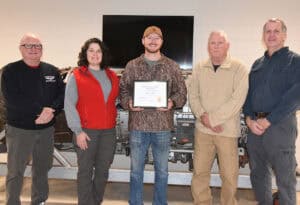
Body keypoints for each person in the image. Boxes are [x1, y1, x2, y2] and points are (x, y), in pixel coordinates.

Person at [119, 25, 187, 205]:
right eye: (149, 37)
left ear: (162, 42)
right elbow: (123, 91)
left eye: (157, 37)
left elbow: (181, 93)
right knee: (135, 171)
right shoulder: (132, 65)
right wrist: (129, 103)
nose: (153, 40)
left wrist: (172, 102)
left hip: (162, 127)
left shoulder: (172, 66)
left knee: (163, 172)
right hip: (138, 127)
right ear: (143, 41)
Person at [1, 33, 65, 205]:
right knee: (15, 171)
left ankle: (39, 201)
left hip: (46, 131)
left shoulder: (51, 71)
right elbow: (13, 99)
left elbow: (61, 95)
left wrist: (52, 109)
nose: (34, 49)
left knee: (42, 169)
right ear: (21, 49)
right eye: (29, 46)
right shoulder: (10, 71)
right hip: (20, 130)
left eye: (38, 46)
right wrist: (40, 112)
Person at [243, 18, 300, 205]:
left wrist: (269, 120)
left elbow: (294, 96)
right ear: (263, 36)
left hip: (280, 127)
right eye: (268, 31)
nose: (272, 35)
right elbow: (248, 95)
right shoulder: (257, 64)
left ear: (284, 35)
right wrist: (249, 120)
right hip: (255, 130)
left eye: (276, 31)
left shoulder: (295, 61)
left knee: (285, 180)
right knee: (258, 176)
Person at [188, 31, 249, 205]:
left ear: (227, 45)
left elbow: (238, 99)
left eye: (220, 43)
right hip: (203, 130)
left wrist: (212, 120)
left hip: (227, 131)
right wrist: (202, 117)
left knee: (229, 175)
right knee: (200, 172)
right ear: (208, 46)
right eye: (212, 43)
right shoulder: (199, 67)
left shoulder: (239, 68)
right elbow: (193, 95)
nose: (215, 46)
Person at [64, 38, 119, 205]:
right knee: (85, 171)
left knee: (103, 171)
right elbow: (69, 104)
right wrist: (77, 131)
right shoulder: (77, 75)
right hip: (86, 132)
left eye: (98, 51)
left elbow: (113, 101)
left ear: (103, 54)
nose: (95, 54)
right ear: (85, 53)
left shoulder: (112, 75)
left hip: (108, 132)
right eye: (91, 50)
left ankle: (95, 202)